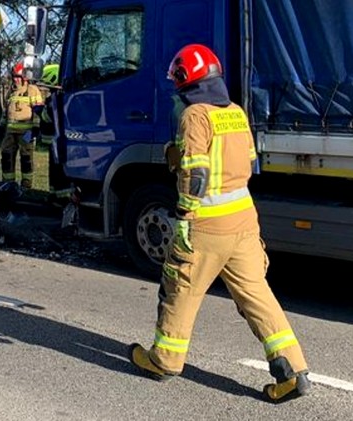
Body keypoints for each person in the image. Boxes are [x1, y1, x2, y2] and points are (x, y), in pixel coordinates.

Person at [128, 44, 310, 403]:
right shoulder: (236, 113)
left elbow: (196, 172)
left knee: (178, 290)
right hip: (244, 224)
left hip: (206, 226)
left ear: (186, 81)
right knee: (258, 297)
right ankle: (293, 371)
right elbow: (245, 161)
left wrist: (183, 216)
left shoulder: (194, 115)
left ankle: (163, 360)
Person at [0, 62, 44, 189]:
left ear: (25, 77)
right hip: (10, 132)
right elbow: (6, 111)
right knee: (6, 156)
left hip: (26, 132)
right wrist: (1, 125)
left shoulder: (32, 90)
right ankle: (8, 183)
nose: (16, 79)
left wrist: (36, 127)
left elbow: (38, 110)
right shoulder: (11, 92)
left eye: (18, 77)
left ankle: (26, 185)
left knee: (26, 158)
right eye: (14, 76)